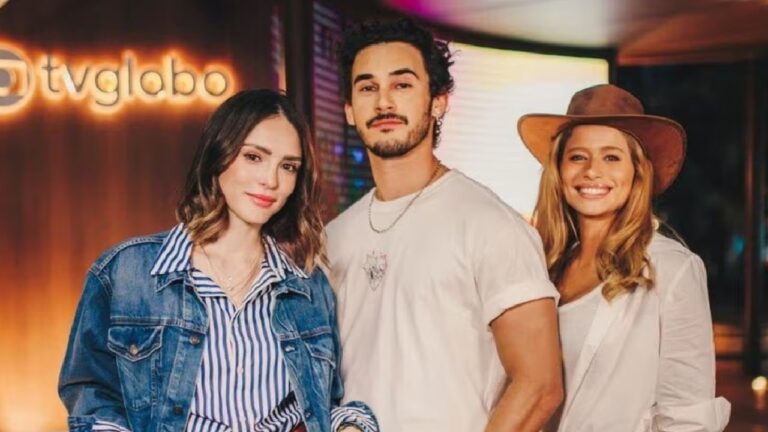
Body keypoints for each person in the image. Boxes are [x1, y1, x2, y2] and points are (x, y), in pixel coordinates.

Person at [58, 89, 378, 432]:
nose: (270, 180)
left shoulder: (308, 287)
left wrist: (351, 424)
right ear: (218, 156)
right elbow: (92, 395)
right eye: (254, 157)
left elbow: (324, 404)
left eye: (288, 167)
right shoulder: (126, 273)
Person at [326, 18, 563, 432]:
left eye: (402, 84)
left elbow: (540, 386)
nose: (383, 101)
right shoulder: (333, 238)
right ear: (349, 110)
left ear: (438, 101)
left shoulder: (490, 224)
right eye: (367, 88)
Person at [518, 83, 731, 431]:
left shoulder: (673, 268)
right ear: (559, 169)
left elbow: (688, 416)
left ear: (637, 171)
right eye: (578, 156)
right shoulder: (541, 265)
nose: (592, 171)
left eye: (611, 157)